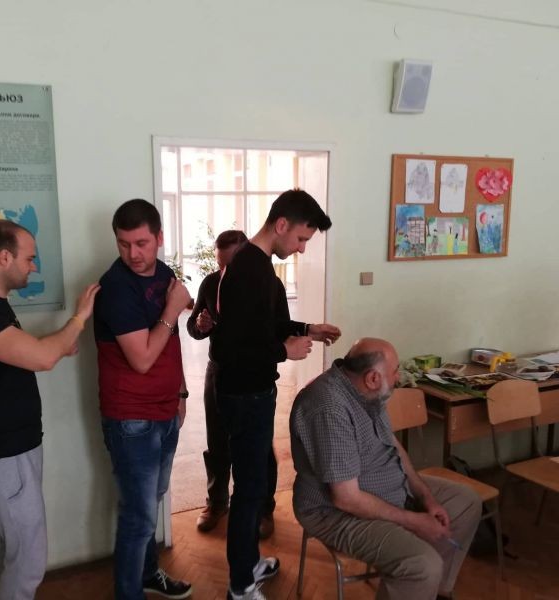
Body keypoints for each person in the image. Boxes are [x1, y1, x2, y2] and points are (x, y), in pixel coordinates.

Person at [0, 219, 100, 600]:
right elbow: (41, 357)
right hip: (3, 453)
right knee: (29, 558)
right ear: (4, 257)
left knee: (10, 544)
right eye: (29, 259)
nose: (33, 266)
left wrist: (56, 345)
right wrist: (79, 318)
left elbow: (24, 352)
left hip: (13, 449)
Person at [211, 189, 341, 600]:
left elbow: (264, 326)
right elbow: (231, 347)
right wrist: (283, 351)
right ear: (281, 224)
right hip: (244, 395)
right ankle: (240, 586)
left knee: (256, 483)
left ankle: (249, 563)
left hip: (255, 392)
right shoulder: (247, 268)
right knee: (249, 488)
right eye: (301, 238)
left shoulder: (259, 266)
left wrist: (307, 330)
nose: (302, 248)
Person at [290, 338, 481, 600]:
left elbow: (393, 447)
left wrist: (426, 497)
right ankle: (421, 583)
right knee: (421, 565)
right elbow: (346, 499)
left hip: (386, 487)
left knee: (466, 502)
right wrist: (415, 521)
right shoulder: (328, 408)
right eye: (395, 372)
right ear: (372, 378)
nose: (398, 377)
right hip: (334, 512)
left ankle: (434, 592)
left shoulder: (365, 391)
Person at [94, 199, 193, 600]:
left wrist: (181, 391)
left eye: (141, 243)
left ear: (159, 238)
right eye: (123, 244)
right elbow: (143, 358)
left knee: (150, 505)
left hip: (165, 410)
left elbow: (171, 343)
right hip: (131, 418)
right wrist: (173, 308)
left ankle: (148, 575)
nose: (133, 254)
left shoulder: (164, 274)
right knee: (138, 518)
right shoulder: (116, 289)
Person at [186, 230, 278, 537]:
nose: (225, 272)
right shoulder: (211, 283)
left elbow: (280, 330)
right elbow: (192, 325)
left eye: (231, 265)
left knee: (259, 447)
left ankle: (264, 509)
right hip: (219, 371)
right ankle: (217, 503)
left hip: (255, 377)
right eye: (220, 265)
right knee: (217, 440)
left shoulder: (268, 283)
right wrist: (200, 326)